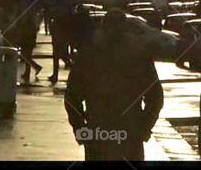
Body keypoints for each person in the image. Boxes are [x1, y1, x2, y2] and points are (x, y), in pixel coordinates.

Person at [65, 9, 163, 161]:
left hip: (98, 131)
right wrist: (144, 127)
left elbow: (72, 97)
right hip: (129, 131)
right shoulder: (138, 55)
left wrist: (80, 128)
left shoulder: (89, 55)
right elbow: (155, 97)